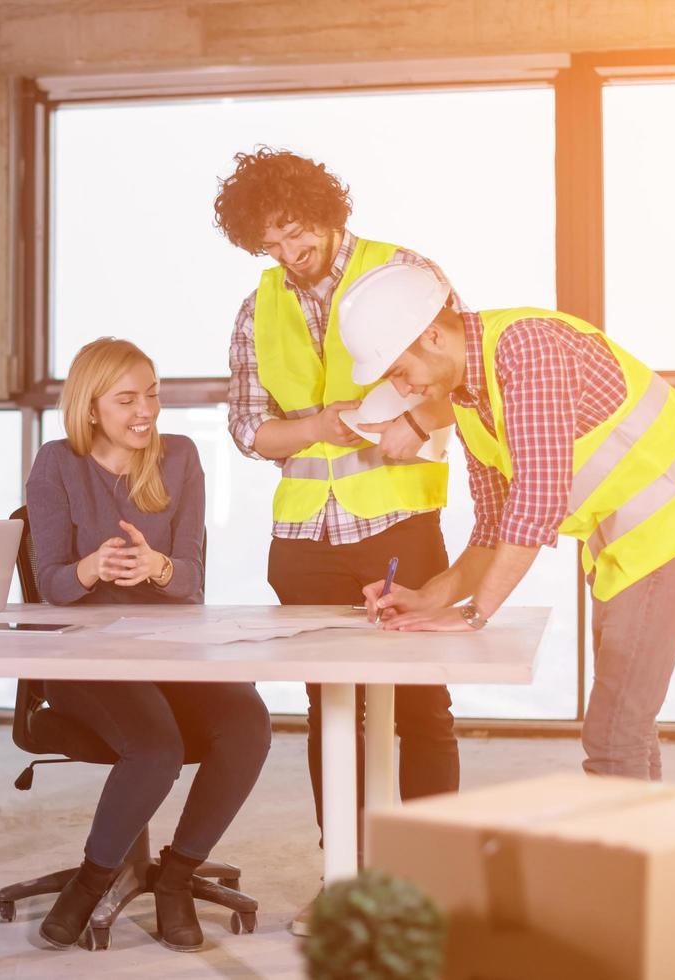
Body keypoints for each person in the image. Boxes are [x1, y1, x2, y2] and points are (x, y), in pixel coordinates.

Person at [343, 263, 675, 779]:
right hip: (629, 539)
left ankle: (625, 858)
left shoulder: (526, 349)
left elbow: (538, 497)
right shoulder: (471, 398)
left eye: (400, 371)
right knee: (628, 724)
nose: (403, 389)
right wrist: (431, 597)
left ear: (432, 335)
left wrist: (475, 613)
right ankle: (650, 854)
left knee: (612, 737)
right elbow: (492, 528)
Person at [212, 147, 462, 935]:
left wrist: (408, 421)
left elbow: (463, 371)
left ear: (323, 209)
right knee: (332, 710)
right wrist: (319, 426)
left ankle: (430, 885)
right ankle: (345, 880)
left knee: (420, 709)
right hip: (304, 539)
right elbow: (250, 429)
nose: (289, 257)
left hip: (398, 523)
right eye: (271, 247)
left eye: (295, 235)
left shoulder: (405, 272)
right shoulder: (259, 307)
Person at [24, 338, 272, 952]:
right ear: (91, 408)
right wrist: (92, 568)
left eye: (153, 394)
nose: (147, 410)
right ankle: (91, 881)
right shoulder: (56, 464)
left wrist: (158, 567)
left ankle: (176, 878)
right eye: (128, 398)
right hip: (87, 655)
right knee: (155, 745)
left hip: (171, 649)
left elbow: (191, 578)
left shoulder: (180, 457)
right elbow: (50, 585)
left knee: (249, 723)